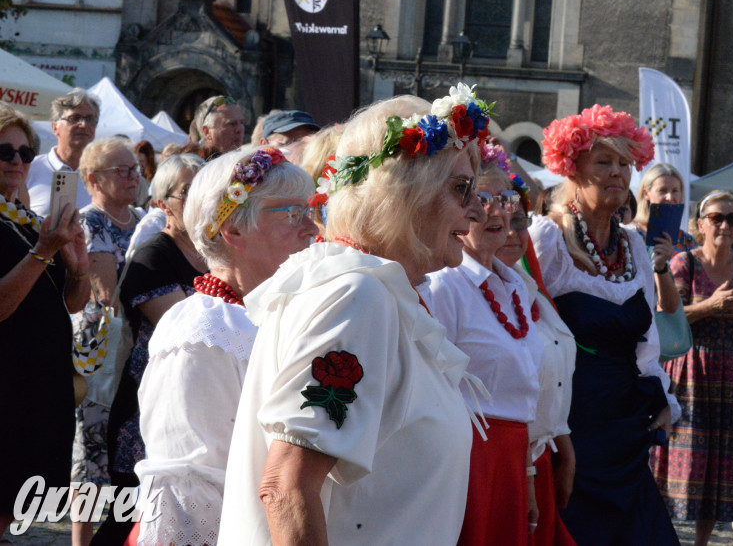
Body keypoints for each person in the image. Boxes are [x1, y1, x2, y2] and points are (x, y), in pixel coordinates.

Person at [219, 88, 489, 543]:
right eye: (460, 188)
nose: (477, 210)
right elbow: (286, 485)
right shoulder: (357, 296)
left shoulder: (366, 289)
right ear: (405, 191)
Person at [130, 146, 316, 546]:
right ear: (232, 231)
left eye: (311, 210)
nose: (311, 229)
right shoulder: (202, 332)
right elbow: (187, 489)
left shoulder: (271, 313)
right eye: (292, 213)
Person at [530, 104, 680, 545]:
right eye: (604, 162)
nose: (618, 173)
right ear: (572, 168)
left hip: (625, 425)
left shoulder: (633, 243)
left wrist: (666, 400)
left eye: (624, 164)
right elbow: (525, 330)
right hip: (570, 424)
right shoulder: (546, 238)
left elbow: (647, 340)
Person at [423, 142, 545, 545]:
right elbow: (432, 388)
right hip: (468, 459)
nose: (496, 210)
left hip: (512, 459)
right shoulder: (445, 285)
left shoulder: (516, 287)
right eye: (482, 198)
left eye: (504, 198)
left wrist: (526, 476)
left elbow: (523, 396)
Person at [651, 189, 733, 546]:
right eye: (716, 217)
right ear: (700, 224)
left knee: (718, 466)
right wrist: (712, 305)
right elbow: (669, 318)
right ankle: (661, 536)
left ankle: (701, 544)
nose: (724, 225)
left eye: (732, 218)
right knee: (683, 460)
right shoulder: (683, 263)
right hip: (691, 371)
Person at [0, 103, 89, 538]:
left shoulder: (32, 222)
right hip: (6, 385)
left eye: (24, 152)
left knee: (14, 506)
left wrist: (78, 264)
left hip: (39, 386)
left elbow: (72, 303)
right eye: (5, 152)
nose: (17, 162)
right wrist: (43, 252)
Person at [106, 155, 207, 487]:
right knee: (132, 522)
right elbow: (190, 331)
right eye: (187, 191)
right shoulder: (153, 257)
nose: (200, 199)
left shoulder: (214, 253)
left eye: (205, 189)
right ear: (163, 203)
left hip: (198, 403)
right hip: (151, 408)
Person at [496, 171, 577, 546]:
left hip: (538, 457)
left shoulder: (530, 291)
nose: (512, 233)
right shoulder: (455, 289)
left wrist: (565, 446)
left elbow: (550, 376)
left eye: (519, 222)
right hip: (503, 465)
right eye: (500, 222)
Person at [70, 136, 144, 546]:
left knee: (128, 445)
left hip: (139, 346)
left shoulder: (142, 218)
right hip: (101, 348)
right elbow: (106, 291)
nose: (133, 176)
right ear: (93, 179)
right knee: (93, 450)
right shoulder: (91, 221)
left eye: (135, 169)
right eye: (122, 170)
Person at [26, 89, 99, 217]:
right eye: (74, 118)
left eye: (90, 119)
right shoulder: (29, 169)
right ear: (55, 128)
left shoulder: (103, 175)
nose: (83, 124)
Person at [633, 162, 684, 316]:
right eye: (663, 191)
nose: (670, 197)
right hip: (639, 319)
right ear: (646, 193)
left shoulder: (686, 240)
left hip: (673, 326)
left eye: (675, 191)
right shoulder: (631, 234)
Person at [194, 95, 245, 159]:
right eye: (232, 124)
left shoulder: (248, 163)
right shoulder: (193, 166)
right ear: (207, 131)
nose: (239, 129)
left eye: (242, 123)